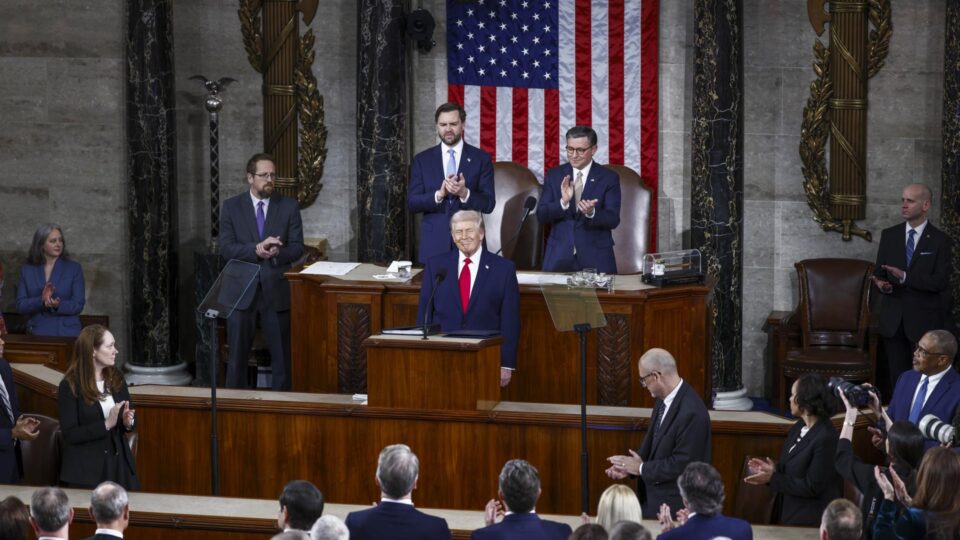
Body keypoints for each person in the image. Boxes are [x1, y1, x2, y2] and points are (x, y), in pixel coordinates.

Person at [220, 152, 304, 391]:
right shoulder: (232, 207)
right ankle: (235, 410)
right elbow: (226, 248)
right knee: (236, 360)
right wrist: (256, 249)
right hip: (241, 292)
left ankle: (281, 412)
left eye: (272, 175)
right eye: (264, 175)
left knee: (282, 360)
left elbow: (297, 247)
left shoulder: (288, 206)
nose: (270, 179)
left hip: (275, 290)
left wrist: (279, 253)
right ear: (250, 177)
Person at [416, 210, 520, 387]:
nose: (464, 237)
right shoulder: (436, 266)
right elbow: (424, 314)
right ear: (452, 235)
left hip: (485, 355)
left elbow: (510, 321)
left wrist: (506, 363)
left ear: (481, 233)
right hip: (442, 355)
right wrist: (422, 354)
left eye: (469, 230)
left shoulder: (504, 269)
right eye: (458, 232)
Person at [605, 348, 711, 519]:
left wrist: (640, 468)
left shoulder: (692, 412)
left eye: (644, 380)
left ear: (656, 376)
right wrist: (629, 467)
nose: (644, 385)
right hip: (654, 498)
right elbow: (653, 441)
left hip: (676, 507)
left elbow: (683, 464)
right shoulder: (662, 400)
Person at [871, 183, 952, 395]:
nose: (904, 205)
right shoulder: (890, 235)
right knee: (897, 380)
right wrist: (883, 285)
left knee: (922, 381)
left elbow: (940, 282)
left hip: (923, 323)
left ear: (925, 205)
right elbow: (879, 274)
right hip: (893, 322)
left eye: (910, 200)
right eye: (902, 200)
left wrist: (906, 277)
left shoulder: (940, 240)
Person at [744, 374, 840, 526]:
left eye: (792, 395)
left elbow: (812, 487)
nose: (789, 399)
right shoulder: (799, 426)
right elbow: (790, 466)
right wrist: (772, 469)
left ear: (805, 400)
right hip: (790, 513)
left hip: (811, 521)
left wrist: (773, 478)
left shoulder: (826, 437)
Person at [407, 102, 495, 264]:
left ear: (463, 125)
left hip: (470, 242)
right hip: (434, 245)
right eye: (443, 124)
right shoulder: (422, 160)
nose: (448, 129)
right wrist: (439, 195)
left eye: (453, 124)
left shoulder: (481, 159)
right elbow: (412, 203)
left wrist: (464, 193)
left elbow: (489, 204)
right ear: (437, 126)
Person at [57, 324, 139, 490]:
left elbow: (131, 420)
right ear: (92, 351)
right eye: (109, 346)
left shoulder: (116, 376)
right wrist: (106, 424)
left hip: (119, 465)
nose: (115, 350)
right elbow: (70, 434)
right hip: (87, 471)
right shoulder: (70, 385)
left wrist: (127, 421)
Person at [836, 387, 924, 538]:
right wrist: (879, 411)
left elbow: (843, 459)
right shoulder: (924, 480)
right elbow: (901, 440)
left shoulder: (878, 478)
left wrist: (850, 418)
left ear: (889, 450)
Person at [536, 126, 621, 274]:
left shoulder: (608, 178)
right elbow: (542, 215)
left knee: (602, 298)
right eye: (570, 149)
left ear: (593, 149)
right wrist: (563, 202)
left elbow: (613, 219)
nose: (574, 155)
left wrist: (592, 212)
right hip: (559, 256)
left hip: (596, 257)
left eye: (580, 150)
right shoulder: (554, 175)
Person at [874, 329, 960, 451]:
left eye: (923, 351)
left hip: (929, 466)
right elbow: (892, 416)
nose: (915, 353)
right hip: (895, 463)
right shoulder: (906, 377)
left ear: (942, 360)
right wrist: (882, 433)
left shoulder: (957, 390)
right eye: (917, 347)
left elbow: (956, 445)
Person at [345, 444, 451, 540]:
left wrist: (370, 515)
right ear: (415, 483)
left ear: (377, 480)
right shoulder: (437, 528)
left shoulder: (355, 522)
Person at [471, 459, 572, 540]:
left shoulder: (481, 536)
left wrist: (489, 529)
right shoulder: (562, 532)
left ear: (501, 496)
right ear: (539, 494)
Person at [873, 447, 960, 539]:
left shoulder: (914, 519)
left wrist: (889, 497)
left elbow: (880, 536)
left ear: (925, 479)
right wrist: (907, 500)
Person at [15, 223, 85, 337]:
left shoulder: (74, 268)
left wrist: (57, 305)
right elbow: (20, 305)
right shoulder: (27, 270)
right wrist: (42, 301)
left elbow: (78, 304)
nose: (58, 244)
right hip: (37, 332)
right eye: (53, 241)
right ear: (41, 244)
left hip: (66, 333)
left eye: (60, 240)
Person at [657, 462, 752, 540]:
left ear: (685, 501)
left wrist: (673, 533)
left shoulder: (668, 537)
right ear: (720, 494)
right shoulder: (743, 529)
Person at [0, 336, 41, 483]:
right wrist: (11, 433)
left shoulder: (3, 366)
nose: (2, 342)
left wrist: (21, 423)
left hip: (12, 460)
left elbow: (12, 408)